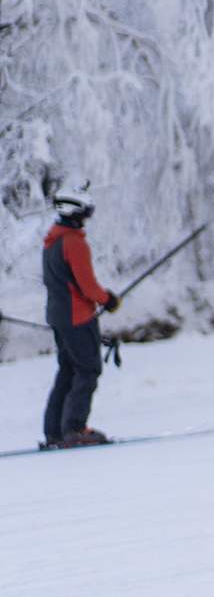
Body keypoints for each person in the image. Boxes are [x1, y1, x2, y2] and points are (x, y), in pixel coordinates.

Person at [41, 191, 119, 450]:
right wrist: (107, 299)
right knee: (87, 369)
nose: (88, 217)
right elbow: (86, 284)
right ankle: (74, 429)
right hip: (77, 317)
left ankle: (54, 432)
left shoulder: (52, 240)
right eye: (86, 211)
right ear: (75, 212)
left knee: (67, 370)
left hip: (58, 315)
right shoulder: (74, 242)